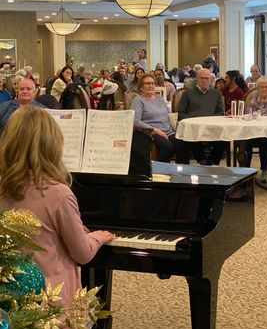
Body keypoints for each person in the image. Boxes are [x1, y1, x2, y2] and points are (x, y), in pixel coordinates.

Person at [0, 106, 115, 308]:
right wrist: (96, 237)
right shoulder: (57, 193)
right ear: (52, 145)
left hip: (11, 302)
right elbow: (82, 254)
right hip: (52, 308)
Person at [132, 74, 187, 163]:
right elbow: (135, 121)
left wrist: (176, 127)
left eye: (153, 83)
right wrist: (156, 130)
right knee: (167, 147)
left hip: (168, 131)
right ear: (141, 87)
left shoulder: (159, 98)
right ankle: (161, 172)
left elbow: (168, 115)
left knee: (182, 145)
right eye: (147, 83)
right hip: (150, 132)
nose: (151, 86)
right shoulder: (138, 100)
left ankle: (182, 172)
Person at [178, 68, 226, 165]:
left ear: (211, 80)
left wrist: (210, 121)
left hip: (212, 127)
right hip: (194, 128)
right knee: (191, 135)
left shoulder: (216, 93)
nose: (204, 80)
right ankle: (202, 161)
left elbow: (220, 113)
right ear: (197, 79)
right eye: (202, 78)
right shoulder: (187, 94)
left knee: (225, 137)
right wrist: (192, 122)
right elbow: (181, 113)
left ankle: (212, 162)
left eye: (207, 78)